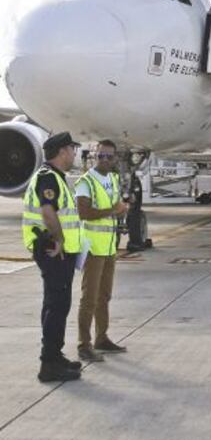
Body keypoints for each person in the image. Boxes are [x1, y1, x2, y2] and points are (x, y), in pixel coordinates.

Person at [22, 132, 82, 382]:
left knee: (58, 304)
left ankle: (55, 356)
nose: (74, 153)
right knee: (56, 305)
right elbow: (48, 212)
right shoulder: (48, 178)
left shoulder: (56, 177)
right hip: (52, 249)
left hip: (59, 252)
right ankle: (49, 364)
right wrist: (59, 240)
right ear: (62, 151)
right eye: (72, 149)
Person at [75, 140, 128, 361]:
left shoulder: (114, 179)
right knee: (89, 297)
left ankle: (101, 337)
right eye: (100, 156)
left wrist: (122, 209)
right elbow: (84, 212)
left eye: (108, 156)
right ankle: (83, 344)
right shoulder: (85, 181)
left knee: (104, 295)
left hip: (108, 246)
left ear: (115, 158)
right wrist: (112, 211)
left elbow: (115, 207)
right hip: (93, 248)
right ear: (93, 157)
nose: (104, 160)